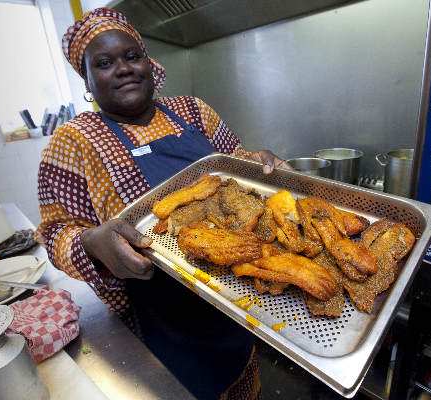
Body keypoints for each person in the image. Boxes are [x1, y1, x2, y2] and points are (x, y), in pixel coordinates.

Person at [36, 7, 290, 400]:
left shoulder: (194, 111)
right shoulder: (75, 141)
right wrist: (90, 243)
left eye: (132, 56)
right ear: (86, 79)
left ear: (149, 64)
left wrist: (260, 162)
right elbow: (54, 233)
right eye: (103, 63)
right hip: (163, 320)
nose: (123, 69)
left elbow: (238, 167)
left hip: (239, 294)